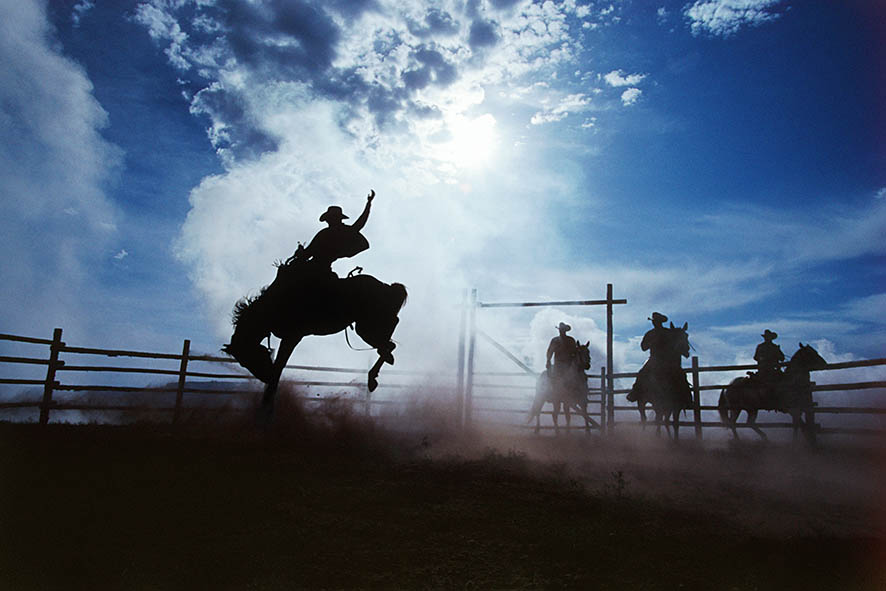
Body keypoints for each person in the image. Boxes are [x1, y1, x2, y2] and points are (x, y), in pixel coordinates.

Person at [294, 189, 375, 275]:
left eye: (330, 218)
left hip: (317, 269)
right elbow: (359, 225)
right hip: (323, 268)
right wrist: (368, 204)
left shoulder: (326, 234)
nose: (328, 221)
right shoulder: (338, 232)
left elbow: (308, 252)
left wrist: (300, 253)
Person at [627, 312, 670, 402]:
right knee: (642, 373)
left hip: (665, 359)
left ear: (660, 322)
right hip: (655, 359)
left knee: (679, 375)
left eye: (656, 321)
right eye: (654, 321)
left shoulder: (667, 332)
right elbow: (643, 347)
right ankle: (636, 392)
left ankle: (685, 397)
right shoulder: (651, 334)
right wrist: (651, 343)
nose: (654, 323)